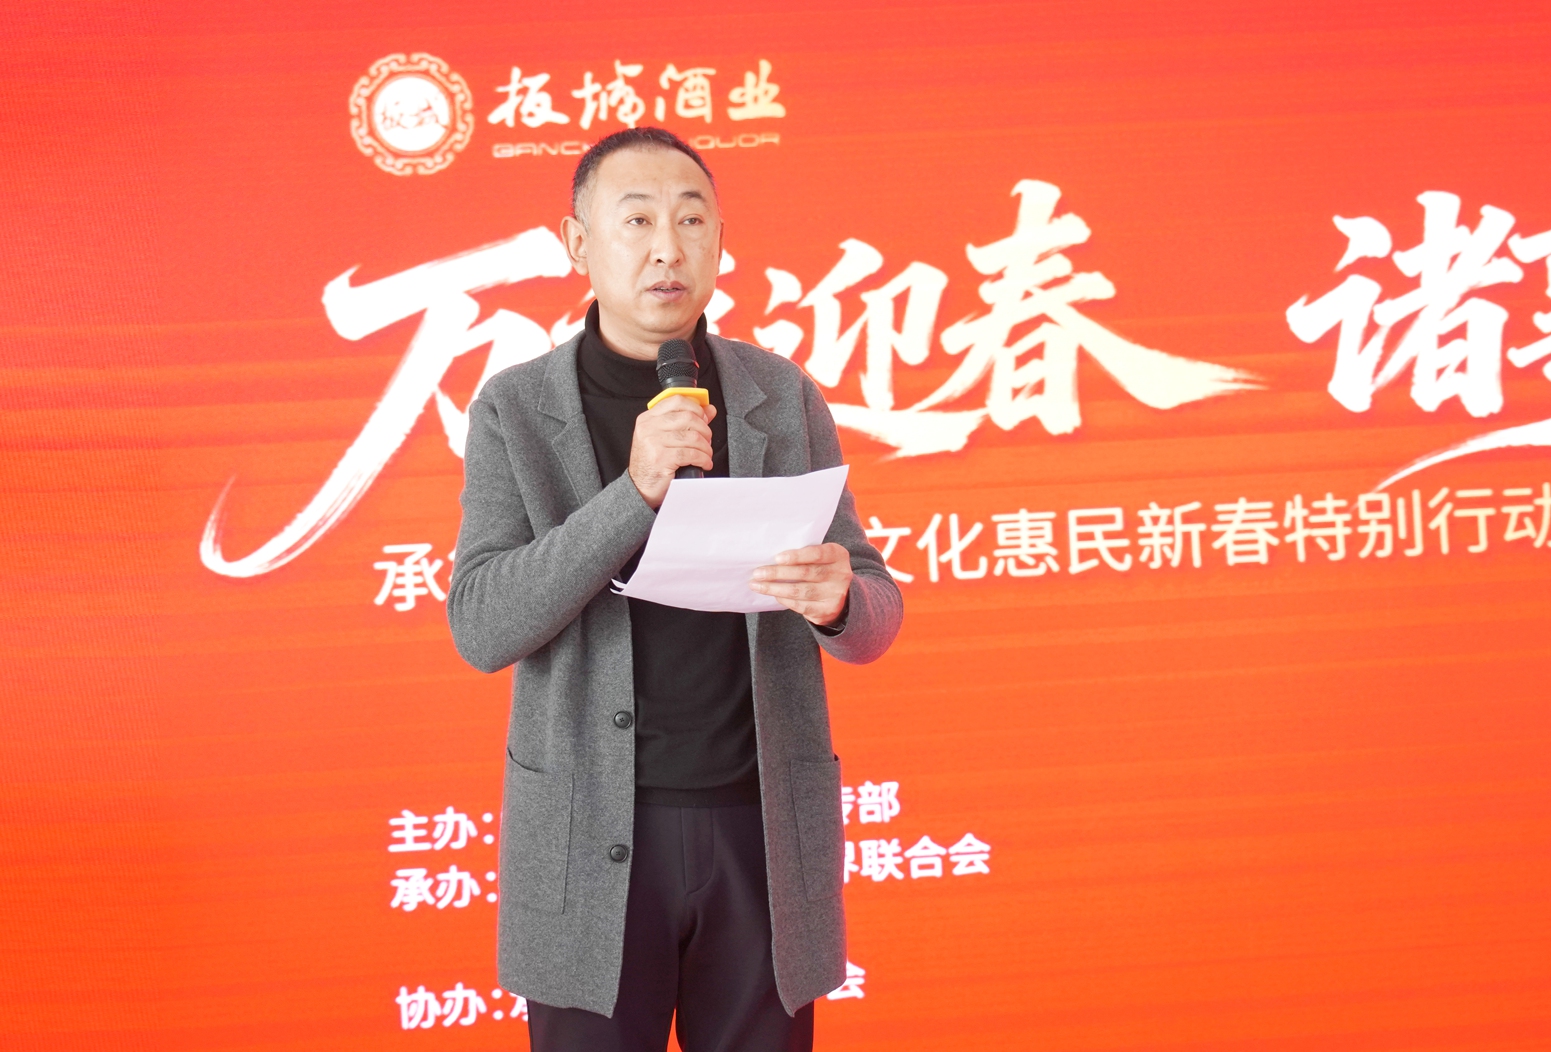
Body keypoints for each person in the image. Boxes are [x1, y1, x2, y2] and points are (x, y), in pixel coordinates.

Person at [447, 127, 903, 1052]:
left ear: (720, 242)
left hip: (759, 830)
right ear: (578, 244)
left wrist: (838, 601)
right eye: (638, 221)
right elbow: (483, 624)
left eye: (692, 220)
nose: (668, 248)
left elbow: (873, 609)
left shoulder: (779, 394)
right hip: (587, 834)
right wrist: (634, 493)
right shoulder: (514, 409)